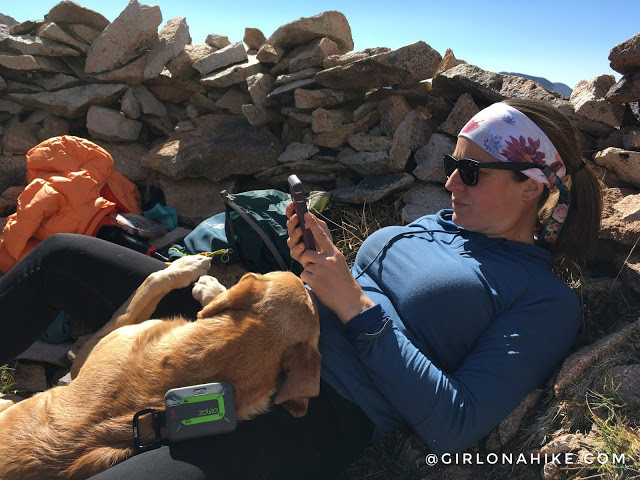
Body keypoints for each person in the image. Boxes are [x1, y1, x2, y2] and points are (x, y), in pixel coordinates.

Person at [0, 98, 601, 479]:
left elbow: (454, 422)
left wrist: (355, 307)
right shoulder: (434, 225)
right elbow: (349, 285)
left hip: (303, 407)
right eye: (453, 161)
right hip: (245, 332)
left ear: (531, 187)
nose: (449, 181)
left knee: (128, 455)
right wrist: (321, 261)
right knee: (61, 257)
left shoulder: (542, 298)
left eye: (470, 170)